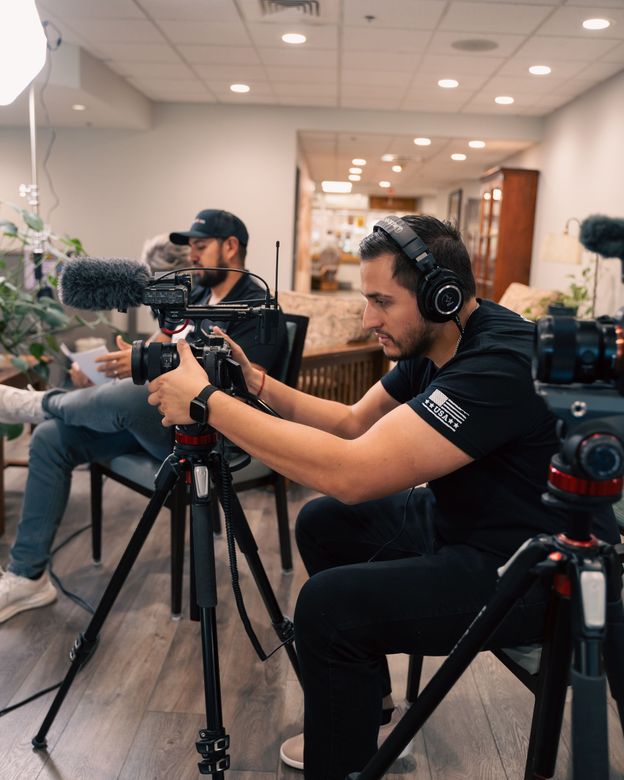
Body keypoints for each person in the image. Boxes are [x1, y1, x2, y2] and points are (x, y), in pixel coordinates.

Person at [146, 214, 619, 780]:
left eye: (381, 301)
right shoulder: (443, 332)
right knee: (325, 522)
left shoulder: (497, 364)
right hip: (463, 519)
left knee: (328, 606)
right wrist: (256, 385)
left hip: (523, 569)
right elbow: (351, 423)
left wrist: (206, 402)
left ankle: (340, 765)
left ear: (440, 295)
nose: (368, 319)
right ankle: (363, 707)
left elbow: (353, 472)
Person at [0, 209, 287, 623]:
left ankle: (37, 403)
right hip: (164, 421)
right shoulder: (197, 300)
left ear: (231, 247)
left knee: (135, 397)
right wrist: (124, 360)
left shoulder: (257, 310)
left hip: (215, 435)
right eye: (189, 248)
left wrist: (148, 370)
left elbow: (242, 392)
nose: (193, 256)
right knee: (51, 438)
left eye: (201, 247)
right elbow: (162, 347)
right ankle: (28, 578)